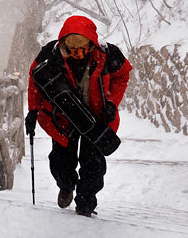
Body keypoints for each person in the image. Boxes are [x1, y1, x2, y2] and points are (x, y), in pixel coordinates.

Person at [24, 15, 131, 217]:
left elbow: (122, 75)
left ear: (90, 44)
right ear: (63, 43)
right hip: (62, 117)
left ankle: (85, 203)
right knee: (60, 161)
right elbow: (35, 81)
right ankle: (66, 186)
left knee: (94, 167)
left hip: (97, 119)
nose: (77, 54)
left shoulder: (107, 54)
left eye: (81, 49)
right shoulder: (50, 55)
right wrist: (32, 110)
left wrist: (111, 103)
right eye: (72, 50)